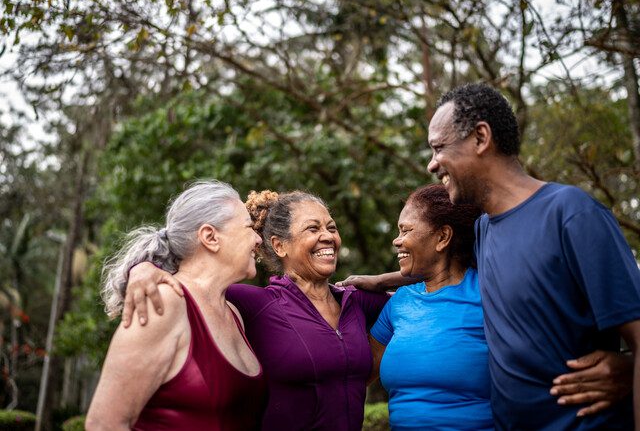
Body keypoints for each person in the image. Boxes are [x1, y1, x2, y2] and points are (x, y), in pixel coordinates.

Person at [426, 83, 640, 429]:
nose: (432, 164)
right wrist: (377, 282)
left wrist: (629, 368)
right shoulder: (484, 230)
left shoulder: (571, 214)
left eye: (439, 148)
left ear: (481, 138)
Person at [124, 190, 390, 431]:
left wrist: (385, 280)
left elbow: (424, 292)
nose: (328, 236)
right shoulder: (256, 304)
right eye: (312, 228)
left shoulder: (358, 301)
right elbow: (193, 279)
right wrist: (143, 268)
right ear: (279, 245)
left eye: (331, 227)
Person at [85, 181, 267, 430]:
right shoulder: (163, 305)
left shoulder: (234, 313)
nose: (258, 239)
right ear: (210, 237)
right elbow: (103, 425)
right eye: (249, 227)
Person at [368, 184, 492, 430]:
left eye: (405, 231)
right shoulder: (400, 302)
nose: (397, 240)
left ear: (442, 237)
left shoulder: (490, 295)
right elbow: (356, 375)